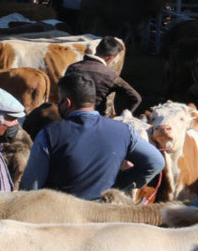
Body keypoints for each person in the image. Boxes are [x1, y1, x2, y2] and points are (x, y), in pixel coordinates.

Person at [20, 73, 164, 201]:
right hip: (102, 216)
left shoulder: (49, 134)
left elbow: (30, 187)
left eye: (60, 100)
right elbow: (156, 162)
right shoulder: (124, 131)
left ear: (67, 102)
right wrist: (119, 184)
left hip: (63, 217)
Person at [62, 36, 141, 116]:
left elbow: (62, 94)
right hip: (97, 120)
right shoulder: (110, 75)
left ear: (96, 49)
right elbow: (136, 98)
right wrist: (123, 117)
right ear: (110, 58)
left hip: (72, 118)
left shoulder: (73, 68)